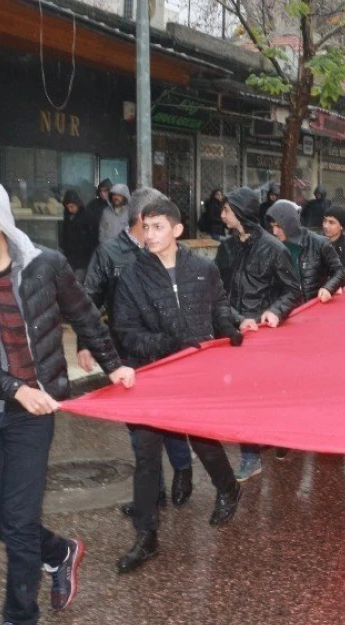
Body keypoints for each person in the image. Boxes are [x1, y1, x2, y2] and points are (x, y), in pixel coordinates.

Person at [0, 178, 135, 624]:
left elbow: (84, 315)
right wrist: (13, 387)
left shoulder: (45, 265)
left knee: (18, 523)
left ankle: (20, 616)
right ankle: (60, 552)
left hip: (34, 415)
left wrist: (113, 364)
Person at [111, 197, 252, 574]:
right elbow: (125, 332)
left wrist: (230, 327)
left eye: (158, 227)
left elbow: (218, 306)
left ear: (176, 230)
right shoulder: (132, 276)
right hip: (151, 376)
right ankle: (146, 536)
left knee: (204, 441)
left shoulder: (203, 269)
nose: (149, 234)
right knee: (145, 454)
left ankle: (228, 487)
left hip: (195, 374)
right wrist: (169, 345)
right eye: (145, 227)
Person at [83, 188, 195, 515]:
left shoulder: (172, 252)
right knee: (140, 431)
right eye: (152, 222)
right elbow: (89, 300)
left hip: (167, 354)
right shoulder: (109, 254)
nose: (154, 231)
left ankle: (183, 469)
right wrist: (85, 343)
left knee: (171, 421)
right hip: (129, 357)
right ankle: (152, 493)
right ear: (140, 218)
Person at [216, 187, 301, 480]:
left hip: (264, 337)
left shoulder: (274, 249)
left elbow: (293, 291)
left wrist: (275, 311)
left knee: (264, 396)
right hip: (234, 332)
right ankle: (251, 455)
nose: (221, 215)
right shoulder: (225, 248)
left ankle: (277, 435)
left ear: (240, 213)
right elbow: (217, 293)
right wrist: (233, 319)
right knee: (242, 399)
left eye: (226, 210)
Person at [266, 200, 344, 303]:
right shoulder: (272, 246)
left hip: (313, 307)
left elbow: (339, 271)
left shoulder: (319, 243)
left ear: (290, 223)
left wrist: (328, 288)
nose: (274, 231)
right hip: (284, 309)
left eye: (279, 226)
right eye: (272, 226)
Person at [58, 189, 98, 284]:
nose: (70, 209)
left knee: (77, 283)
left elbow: (93, 238)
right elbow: (65, 234)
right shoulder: (67, 216)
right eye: (68, 207)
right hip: (70, 257)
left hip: (83, 258)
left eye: (72, 206)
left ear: (77, 204)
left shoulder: (87, 216)